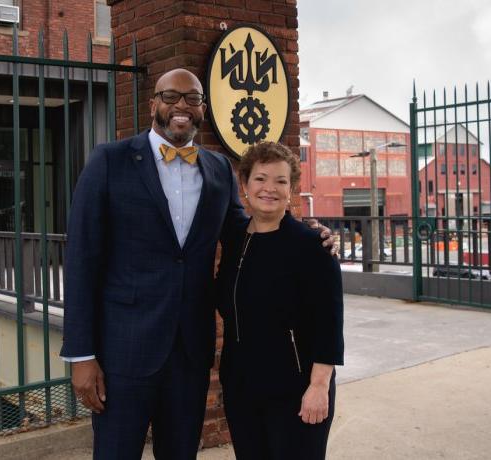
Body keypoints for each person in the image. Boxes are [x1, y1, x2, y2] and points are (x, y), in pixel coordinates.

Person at [60, 68, 336, 460]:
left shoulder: (219, 169)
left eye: (192, 99)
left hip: (189, 354)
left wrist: (309, 235)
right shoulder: (110, 161)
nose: (181, 106)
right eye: (171, 96)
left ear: (203, 108)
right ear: (153, 103)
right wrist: (81, 355)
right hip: (124, 352)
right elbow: (82, 261)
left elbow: (248, 232)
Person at [216, 141, 345, 460]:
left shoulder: (312, 245)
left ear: (292, 189)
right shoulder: (234, 238)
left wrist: (318, 387)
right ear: (244, 185)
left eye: (280, 181)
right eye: (260, 179)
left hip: (296, 387)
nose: (269, 188)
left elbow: (330, 324)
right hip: (242, 386)